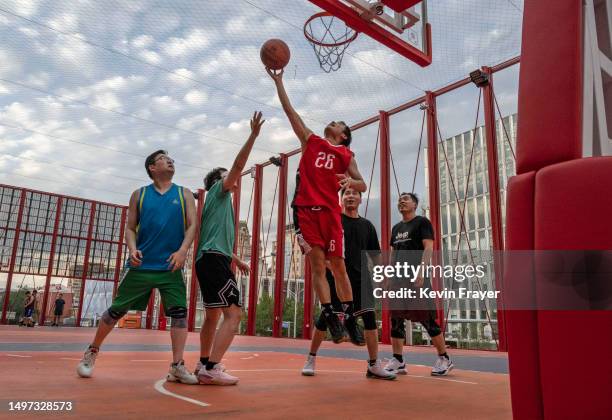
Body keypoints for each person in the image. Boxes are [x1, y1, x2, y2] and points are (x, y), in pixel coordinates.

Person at [77, 149, 198, 384]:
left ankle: (177, 365)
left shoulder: (184, 194)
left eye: (171, 159)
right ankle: (91, 352)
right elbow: (130, 228)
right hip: (141, 265)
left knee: (180, 315)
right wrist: (132, 249)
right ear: (152, 168)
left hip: (170, 266)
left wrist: (183, 251)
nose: (170, 161)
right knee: (115, 311)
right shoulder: (139, 195)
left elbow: (192, 225)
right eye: (164, 159)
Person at [267, 67, 367, 344]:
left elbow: (362, 185)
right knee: (318, 265)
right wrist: (279, 82)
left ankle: (349, 317)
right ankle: (331, 315)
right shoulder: (310, 141)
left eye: (337, 122)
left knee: (339, 267)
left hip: (330, 214)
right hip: (306, 212)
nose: (331, 123)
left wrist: (349, 181)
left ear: (343, 135)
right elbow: (290, 113)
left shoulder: (346, 155)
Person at [195, 112, 264, 385]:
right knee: (234, 314)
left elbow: (213, 239)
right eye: (227, 176)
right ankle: (212, 367)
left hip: (209, 258)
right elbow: (238, 163)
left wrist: (236, 258)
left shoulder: (217, 205)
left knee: (212, 316)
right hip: (214, 261)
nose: (234, 177)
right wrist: (253, 135)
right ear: (217, 182)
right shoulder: (219, 193)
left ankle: (202, 364)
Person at [302, 187, 395, 380]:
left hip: (361, 281)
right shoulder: (333, 220)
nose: (351, 196)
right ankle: (310, 358)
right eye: (347, 193)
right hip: (336, 279)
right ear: (341, 198)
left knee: (369, 319)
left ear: (361, 199)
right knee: (325, 320)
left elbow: (375, 255)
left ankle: (373, 365)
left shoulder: (367, 225)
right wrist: (328, 265)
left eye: (355, 193)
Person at [384, 193, 454, 376]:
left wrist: (422, 271)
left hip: (416, 278)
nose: (401, 201)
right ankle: (398, 360)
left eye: (406, 199)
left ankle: (444, 358)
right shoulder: (396, 228)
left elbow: (428, 247)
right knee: (396, 320)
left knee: (426, 318)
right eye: (399, 199)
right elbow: (393, 253)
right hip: (398, 280)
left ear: (415, 204)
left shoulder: (422, 222)